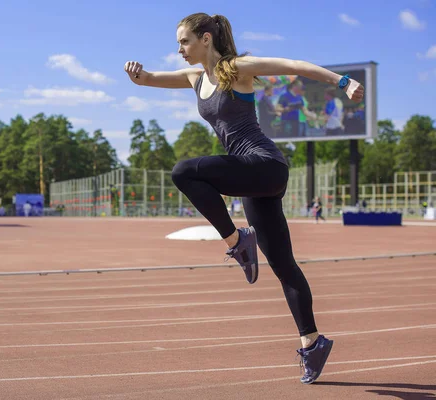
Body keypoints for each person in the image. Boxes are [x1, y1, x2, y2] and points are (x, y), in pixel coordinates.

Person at [124, 12, 364, 385]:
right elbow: (151, 79)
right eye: (178, 44)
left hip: (265, 165)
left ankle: (237, 241)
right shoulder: (194, 77)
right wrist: (137, 74)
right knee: (284, 265)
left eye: (185, 41)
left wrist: (343, 81)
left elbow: (295, 66)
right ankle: (312, 342)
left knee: (184, 171)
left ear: (206, 39)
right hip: (253, 179)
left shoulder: (236, 68)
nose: (180, 49)